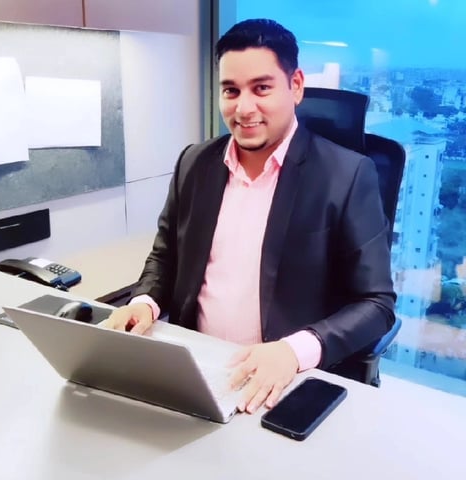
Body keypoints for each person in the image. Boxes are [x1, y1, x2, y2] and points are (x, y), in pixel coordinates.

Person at [103, 18, 396, 414]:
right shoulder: (195, 162)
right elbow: (165, 256)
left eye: (261, 88)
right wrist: (145, 302)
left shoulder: (348, 175)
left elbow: (377, 304)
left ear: (295, 86)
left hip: (285, 382)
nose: (243, 109)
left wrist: (294, 350)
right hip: (196, 369)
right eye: (231, 90)